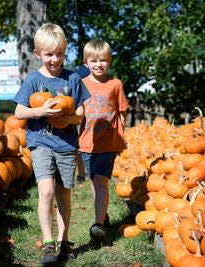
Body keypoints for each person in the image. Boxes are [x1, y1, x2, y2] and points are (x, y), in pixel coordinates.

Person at [13, 23, 90, 265]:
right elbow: (19, 112)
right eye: (49, 54)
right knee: (45, 191)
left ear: (65, 52)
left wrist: (68, 118)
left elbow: (80, 113)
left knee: (63, 193)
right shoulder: (33, 80)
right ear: (38, 54)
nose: (55, 59)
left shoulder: (74, 79)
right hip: (40, 143)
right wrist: (40, 111)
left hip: (66, 145)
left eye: (59, 54)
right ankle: (48, 243)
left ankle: (64, 239)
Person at [78, 39, 129, 245]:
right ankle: (103, 215)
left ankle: (98, 225)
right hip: (86, 142)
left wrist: (119, 135)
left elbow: (122, 111)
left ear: (109, 61)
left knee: (101, 181)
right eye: (93, 60)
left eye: (103, 60)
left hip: (107, 143)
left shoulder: (115, 84)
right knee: (93, 181)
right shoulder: (81, 84)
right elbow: (76, 112)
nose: (98, 64)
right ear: (85, 62)